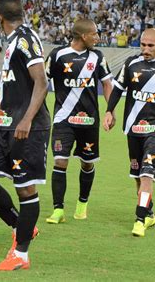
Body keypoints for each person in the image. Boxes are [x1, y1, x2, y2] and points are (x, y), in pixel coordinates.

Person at [0, 0, 50, 271]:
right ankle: (21, 226)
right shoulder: (14, 39)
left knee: (25, 188)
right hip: (4, 123)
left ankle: (21, 254)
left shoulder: (26, 39)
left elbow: (41, 82)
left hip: (25, 125)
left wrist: (27, 119)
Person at [103, 28, 155, 237]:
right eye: (143, 45)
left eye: (151, 45)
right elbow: (118, 89)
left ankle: (139, 219)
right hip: (133, 127)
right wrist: (109, 111)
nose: (146, 49)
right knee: (137, 175)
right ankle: (148, 213)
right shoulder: (131, 64)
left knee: (147, 173)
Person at [45, 18, 113, 224]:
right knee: (60, 161)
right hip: (63, 119)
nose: (98, 38)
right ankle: (58, 210)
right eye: (94, 34)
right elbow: (41, 82)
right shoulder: (57, 55)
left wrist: (110, 110)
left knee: (87, 163)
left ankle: (82, 203)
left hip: (89, 121)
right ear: (83, 36)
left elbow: (107, 84)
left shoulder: (97, 57)